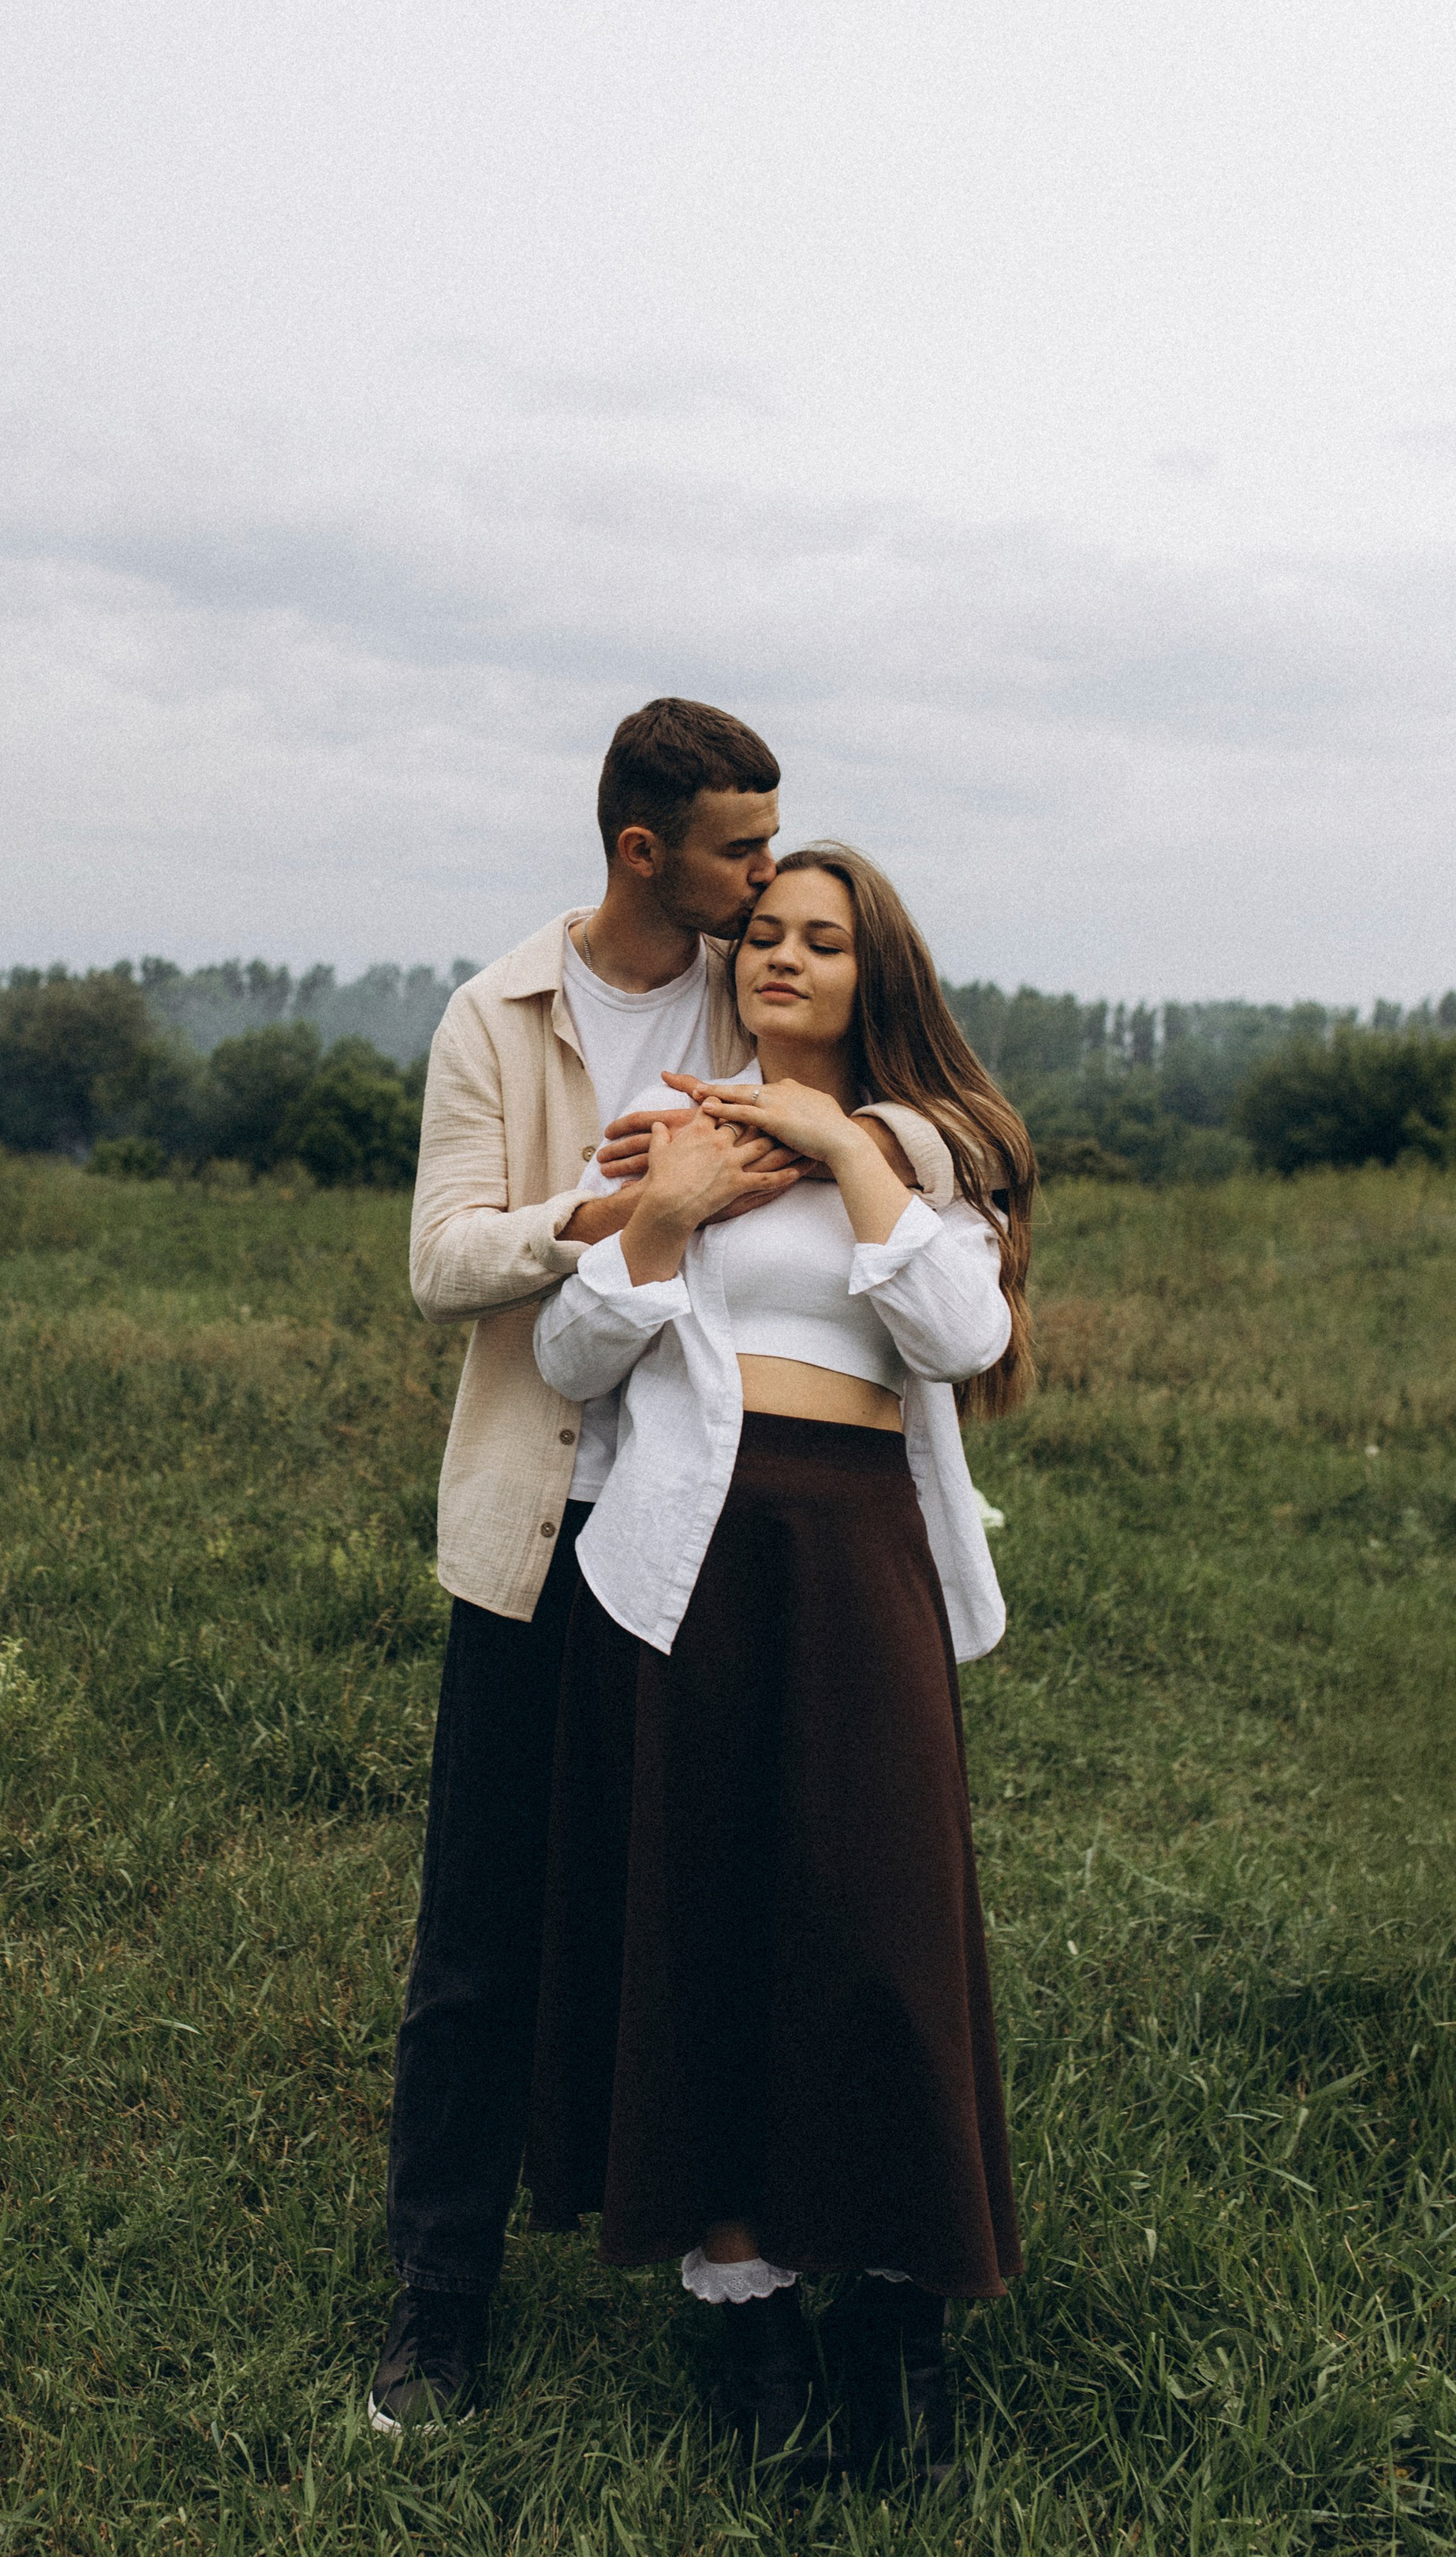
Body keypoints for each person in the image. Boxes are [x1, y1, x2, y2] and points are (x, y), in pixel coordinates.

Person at [524, 843, 1035, 2492]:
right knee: (715, 1918)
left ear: (870, 971)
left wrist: (836, 1146)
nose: (781, 958)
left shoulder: (931, 1150)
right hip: (690, 1562)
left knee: (877, 1921)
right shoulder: (678, 1128)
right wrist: (662, 1214)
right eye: (763, 934)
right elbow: (568, 1352)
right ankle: (746, 2310)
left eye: (820, 941)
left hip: (858, 1549)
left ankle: (897, 2314)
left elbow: (960, 1341)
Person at [369, 697, 793, 2432]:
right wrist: (605, 1210)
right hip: (536, 1537)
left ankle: (742, 2296)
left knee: (712, 1918)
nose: (766, 879)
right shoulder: (499, 1013)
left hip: (710, 1525)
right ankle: (436, 2305)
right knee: (480, 1936)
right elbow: (442, 1263)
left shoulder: (756, 995)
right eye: (738, 850)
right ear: (642, 851)